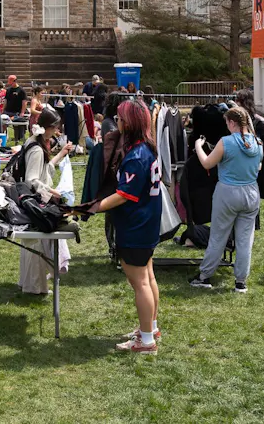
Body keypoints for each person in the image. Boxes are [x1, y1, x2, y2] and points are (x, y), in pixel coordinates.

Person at [87, 99, 162, 355]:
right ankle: (149, 328)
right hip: (147, 222)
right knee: (148, 277)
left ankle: (146, 341)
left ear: (129, 123)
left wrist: (95, 207)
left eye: (120, 118)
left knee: (139, 281)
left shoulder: (137, 155)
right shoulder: (146, 148)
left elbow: (123, 194)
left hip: (136, 225)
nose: (117, 121)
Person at [189, 107, 263, 293]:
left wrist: (198, 145)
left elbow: (207, 163)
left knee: (218, 236)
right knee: (245, 240)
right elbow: (259, 166)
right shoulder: (257, 142)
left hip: (228, 193)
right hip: (251, 192)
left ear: (231, 123)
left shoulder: (226, 141)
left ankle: (204, 276)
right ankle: (240, 282)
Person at [19, 107, 75, 296]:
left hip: (33, 200)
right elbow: (32, 180)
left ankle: (30, 284)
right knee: (35, 243)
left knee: (32, 243)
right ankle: (34, 287)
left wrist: (61, 154)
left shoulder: (36, 142)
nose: (57, 131)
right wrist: (51, 192)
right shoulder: (36, 149)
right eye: (56, 128)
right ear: (49, 127)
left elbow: (45, 169)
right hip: (34, 202)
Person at [4, 75, 28, 140]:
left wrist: (22, 112)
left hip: (17, 112)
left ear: (15, 81)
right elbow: (5, 101)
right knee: (3, 123)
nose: (10, 84)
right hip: (8, 111)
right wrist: (3, 111)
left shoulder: (21, 91)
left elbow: (24, 102)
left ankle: (19, 138)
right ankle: (3, 137)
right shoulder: (8, 90)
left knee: (18, 126)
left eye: (11, 82)